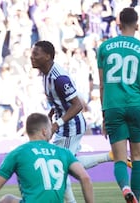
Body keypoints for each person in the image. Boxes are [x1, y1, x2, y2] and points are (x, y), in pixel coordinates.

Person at [30, 40, 119, 203]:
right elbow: (59, 100)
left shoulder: (59, 78)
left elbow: (78, 105)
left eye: (36, 54)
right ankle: (110, 155)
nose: (32, 57)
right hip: (65, 125)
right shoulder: (45, 73)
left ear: (48, 56)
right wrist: (51, 114)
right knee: (67, 164)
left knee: (57, 166)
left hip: (71, 127)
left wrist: (57, 123)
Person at [0, 113, 94, 203]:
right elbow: (85, 178)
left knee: (7, 200)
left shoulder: (17, 153)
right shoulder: (64, 152)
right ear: (44, 131)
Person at [97, 7, 140, 203]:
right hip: (135, 105)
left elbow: (101, 85)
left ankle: (125, 187)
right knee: (137, 158)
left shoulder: (104, 47)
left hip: (112, 106)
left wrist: (104, 115)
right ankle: (134, 197)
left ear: (118, 25)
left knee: (119, 158)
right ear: (137, 25)